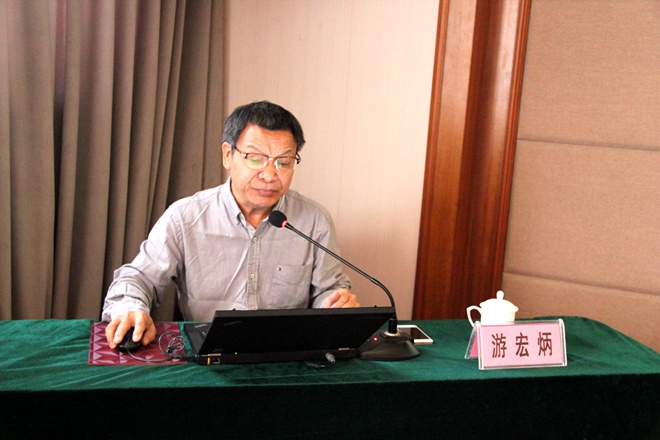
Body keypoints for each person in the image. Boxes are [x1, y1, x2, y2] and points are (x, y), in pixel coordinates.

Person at [103, 101, 359, 348]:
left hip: (284, 354)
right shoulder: (185, 218)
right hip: (208, 353)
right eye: (255, 158)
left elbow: (329, 290)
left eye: (283, 161)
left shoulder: (314, 221)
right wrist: (131, 309)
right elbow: (137, 279)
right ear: (228, 155)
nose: (270, 174)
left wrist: (336, 303)